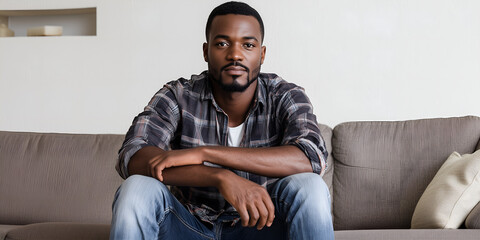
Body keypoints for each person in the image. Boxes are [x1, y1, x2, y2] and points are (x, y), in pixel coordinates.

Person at [110, 1, 334, 239]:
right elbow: (133, 156)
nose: (235, 54)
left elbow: (311, 157)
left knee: (310, 187)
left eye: (248, 45)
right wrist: (220, 177)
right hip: (188, 227)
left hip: (261, 228)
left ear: (262, 54)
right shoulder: (178, 95)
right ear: (206, 51)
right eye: (222, 43)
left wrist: (207, 154)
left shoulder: (285, 95)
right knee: (136, 188)